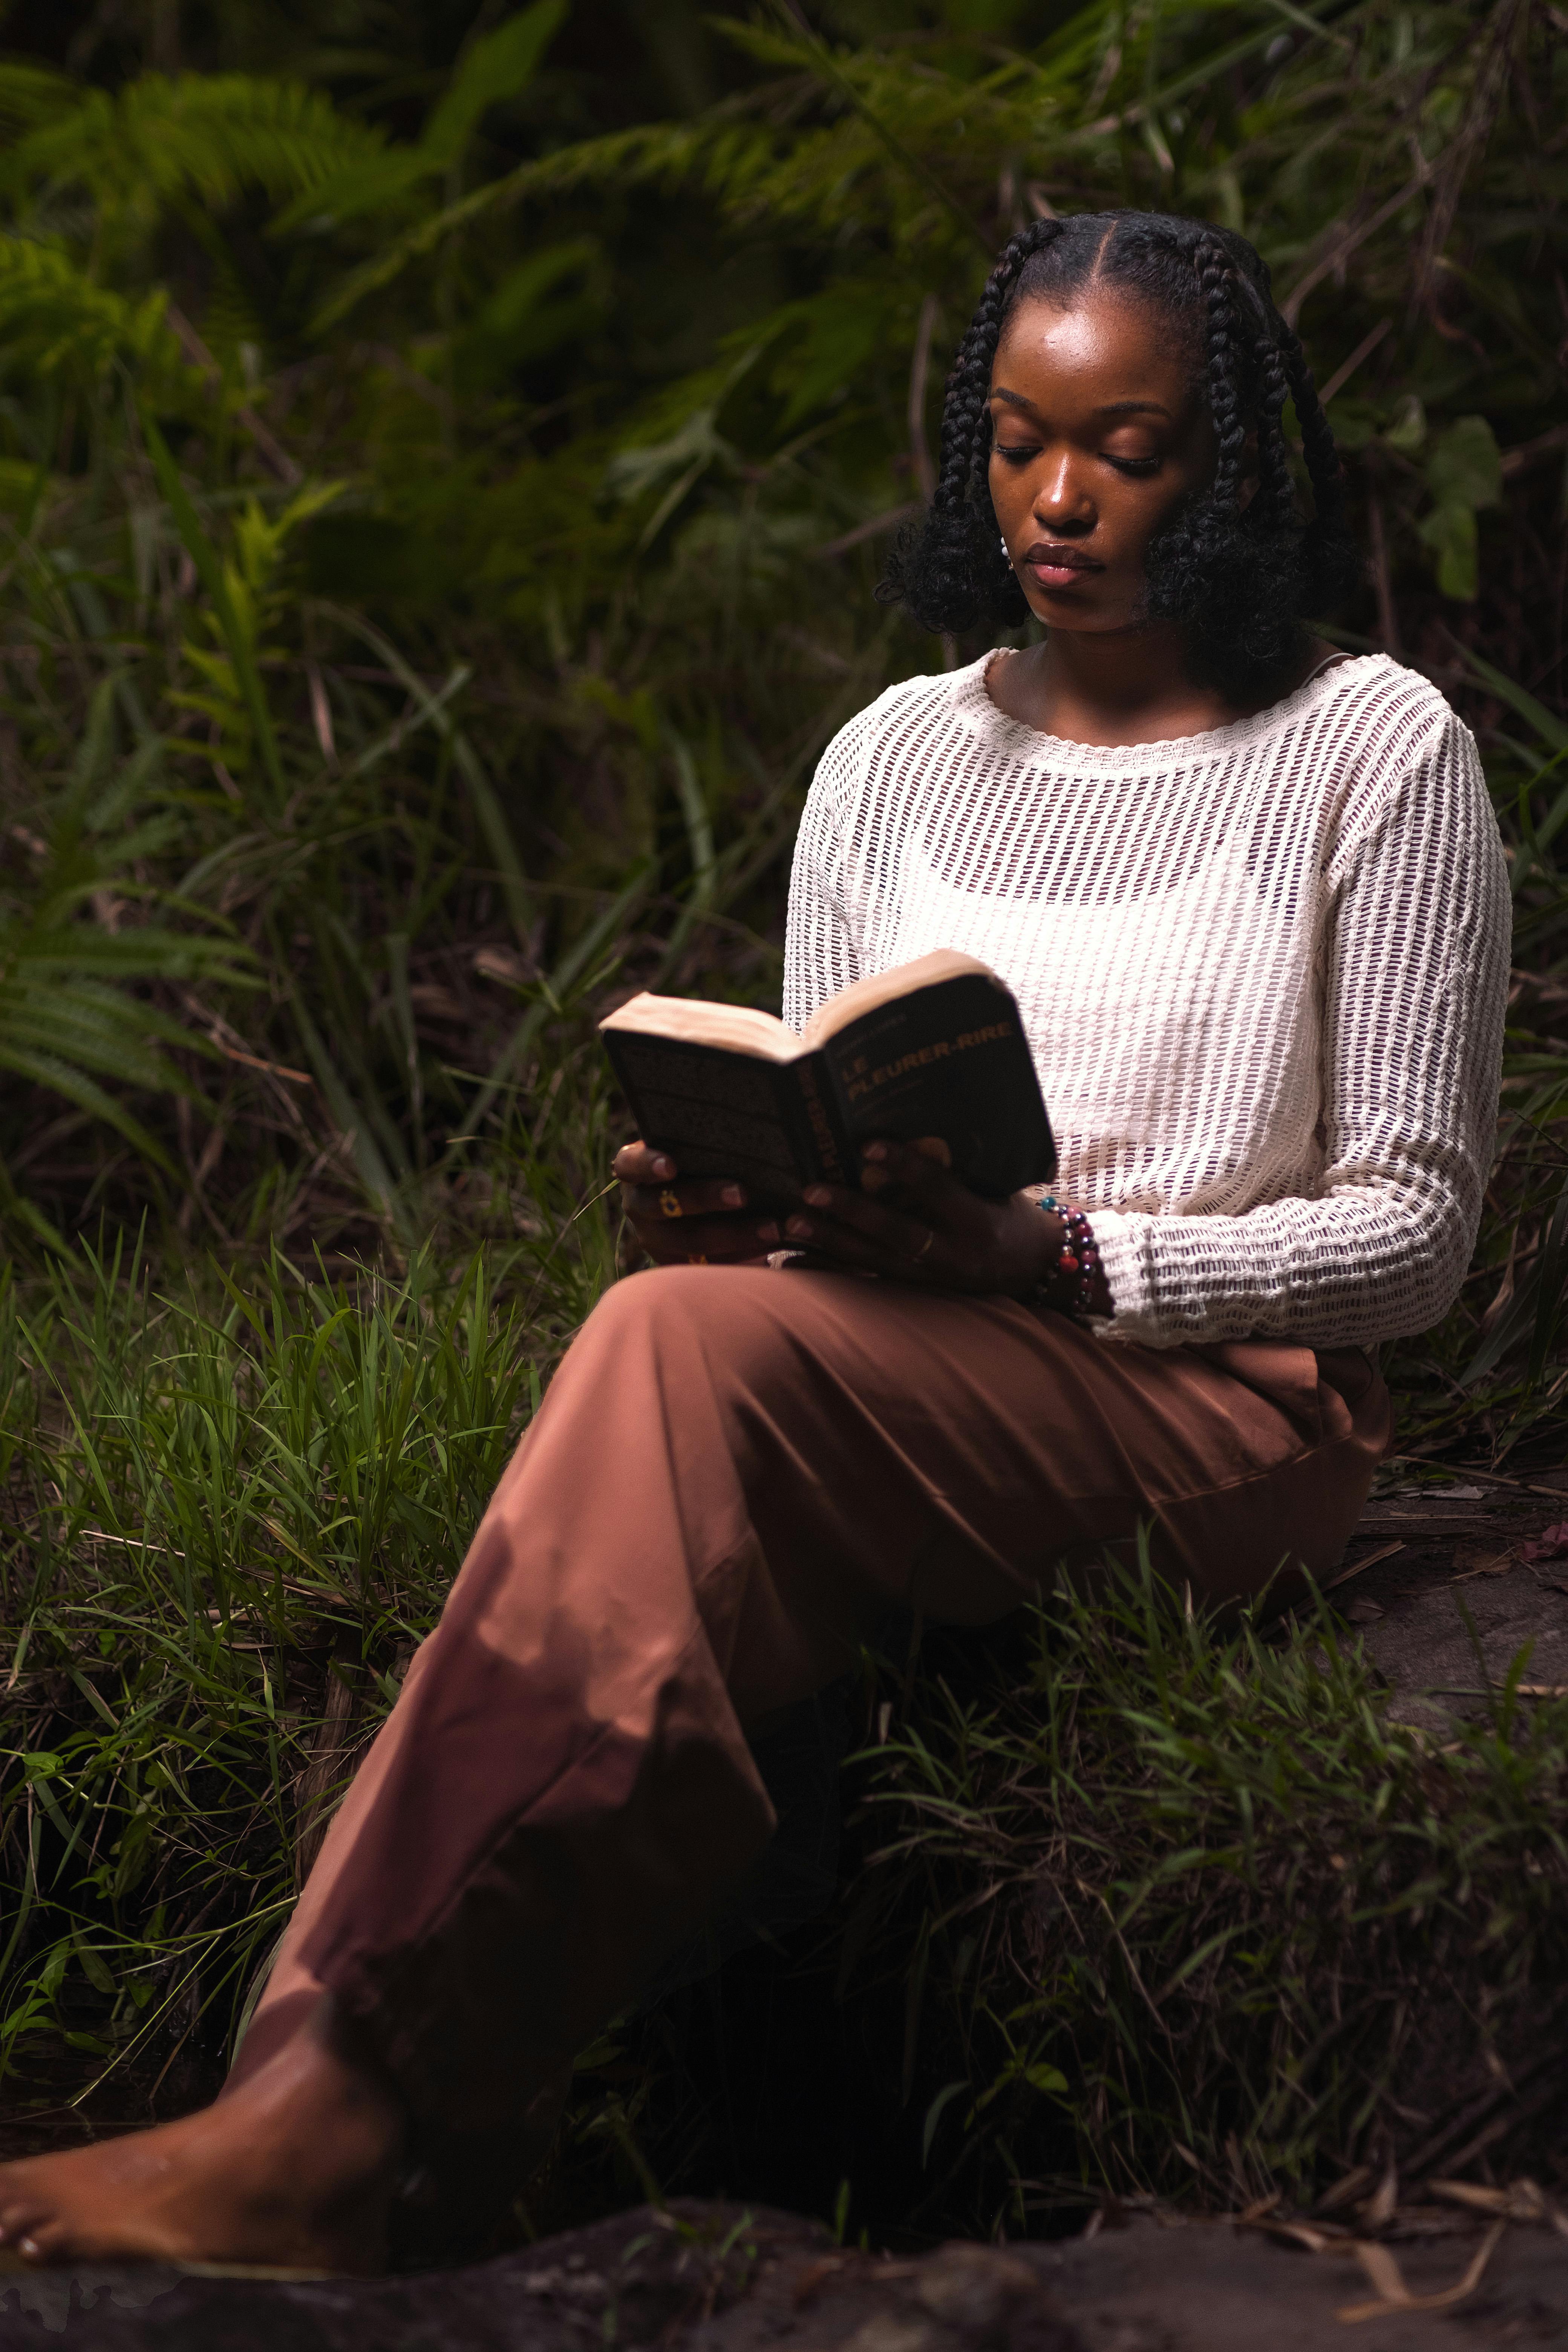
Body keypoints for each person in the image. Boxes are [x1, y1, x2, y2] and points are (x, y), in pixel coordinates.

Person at [0, 210, 1509, 2275]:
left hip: (1220, 1406)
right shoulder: (893, 752)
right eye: (1013, 438)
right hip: (913, 1358)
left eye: (1126, 447)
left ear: (1233, 465)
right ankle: (326, 2096)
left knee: (677, 1359)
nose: (1054, 499)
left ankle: (346, 2111)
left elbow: (1415, 1234)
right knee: (684, 1318)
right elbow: (828, 1088)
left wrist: (1055, 1261)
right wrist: (741, 1199)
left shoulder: (1375, 754)